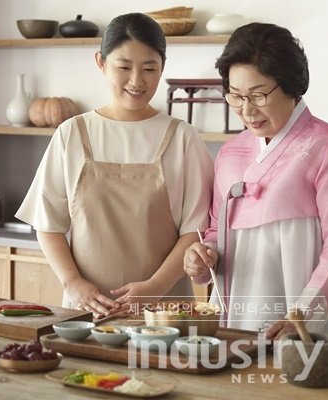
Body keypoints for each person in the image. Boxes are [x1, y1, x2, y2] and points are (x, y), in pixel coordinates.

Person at [183, 22, 328, 351]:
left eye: (258, 95)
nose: (247, 110)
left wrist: (303, 314)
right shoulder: (230, 153)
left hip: (312, 305)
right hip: (247, 301)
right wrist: (201, 256)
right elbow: (215, 229)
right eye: (235, 97)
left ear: (292, 86)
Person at [16, 13, 214, 318]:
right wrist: (72, 282)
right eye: (123, 67)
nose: (137, 81)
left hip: (163, 310)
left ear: (162, 67)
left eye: (150, 68)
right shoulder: (71, 133)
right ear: (101, 62)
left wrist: (155, 287)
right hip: (87, 309)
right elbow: (48, 223)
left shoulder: (183, 138)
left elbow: (196, 230)